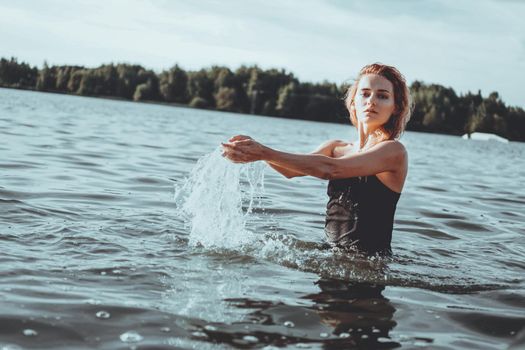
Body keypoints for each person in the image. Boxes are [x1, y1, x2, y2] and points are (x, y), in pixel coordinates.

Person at [221, 63, 412, 255]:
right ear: (353, 101)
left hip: (369, 265)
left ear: (395, 107)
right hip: (331, 255)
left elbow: (331, 170)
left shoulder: (393, 151)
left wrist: (264, 152)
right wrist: (252, 150)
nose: (372, 101)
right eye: (365, 93)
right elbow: (291, 171)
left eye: (382, 96)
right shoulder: (336, 148)